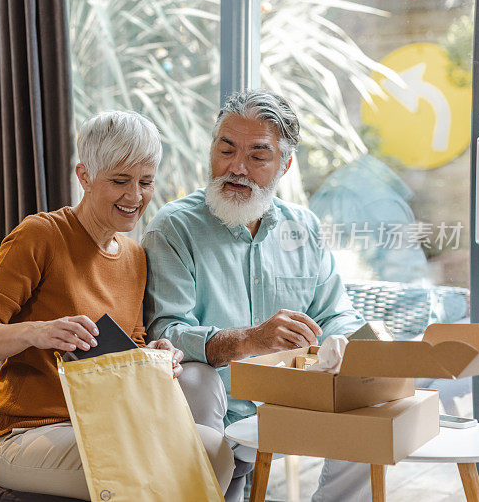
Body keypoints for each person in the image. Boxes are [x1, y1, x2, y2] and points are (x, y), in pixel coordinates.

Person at [0, 110, 234, 501]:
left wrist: (154, 354)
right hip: (28, 436)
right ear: (84, 176)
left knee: (213, 448)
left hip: (107, 424)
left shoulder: (135, 257)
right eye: (120, 181)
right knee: (179, 460)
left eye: (146, 182)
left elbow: (126, 349)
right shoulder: (40, 235)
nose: (135, 196)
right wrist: (37, 331)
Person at [143, 89, 371, 501]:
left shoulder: (303, 227)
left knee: (371, 415)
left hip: (294, 402)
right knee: (195, 379)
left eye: (257, 156)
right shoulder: (174, 227)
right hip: (214, 408)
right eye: (226, 149)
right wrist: (250, 340)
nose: (236, 167)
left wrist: (359, 342)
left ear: (284, 164)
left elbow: (336, 314)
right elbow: (167, 332)